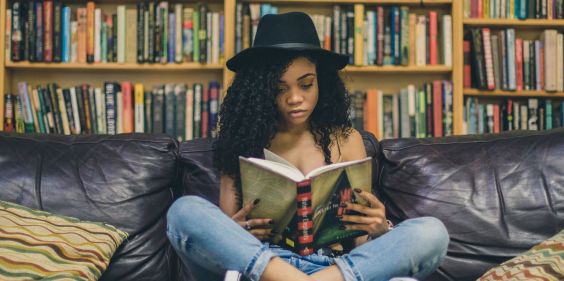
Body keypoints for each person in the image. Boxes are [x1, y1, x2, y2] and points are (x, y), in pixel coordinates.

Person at [166, 12, 449, 281]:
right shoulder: (241, 143)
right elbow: (229, 242)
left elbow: (359, 241)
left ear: (321, 82)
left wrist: (378, 229)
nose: (295, 98)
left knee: (432, 233)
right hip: (266, 267)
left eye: (306, 84)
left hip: (338, 268)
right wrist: (237, 231)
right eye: (280, 88)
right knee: (184, 212)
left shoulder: (347, 140)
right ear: (261, 91)